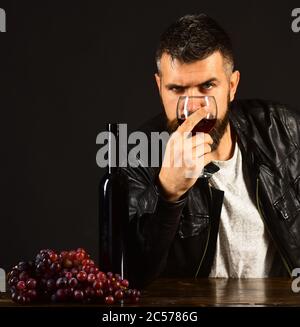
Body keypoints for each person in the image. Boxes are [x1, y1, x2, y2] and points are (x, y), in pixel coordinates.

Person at [121, 13, 300, 288]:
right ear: (159, 87)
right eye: (177, 89)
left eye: (207, 86)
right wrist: (167, 192)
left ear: (231, 86)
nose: (193, 106)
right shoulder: (137, 154)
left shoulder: (282, 128)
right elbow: (129, 277)